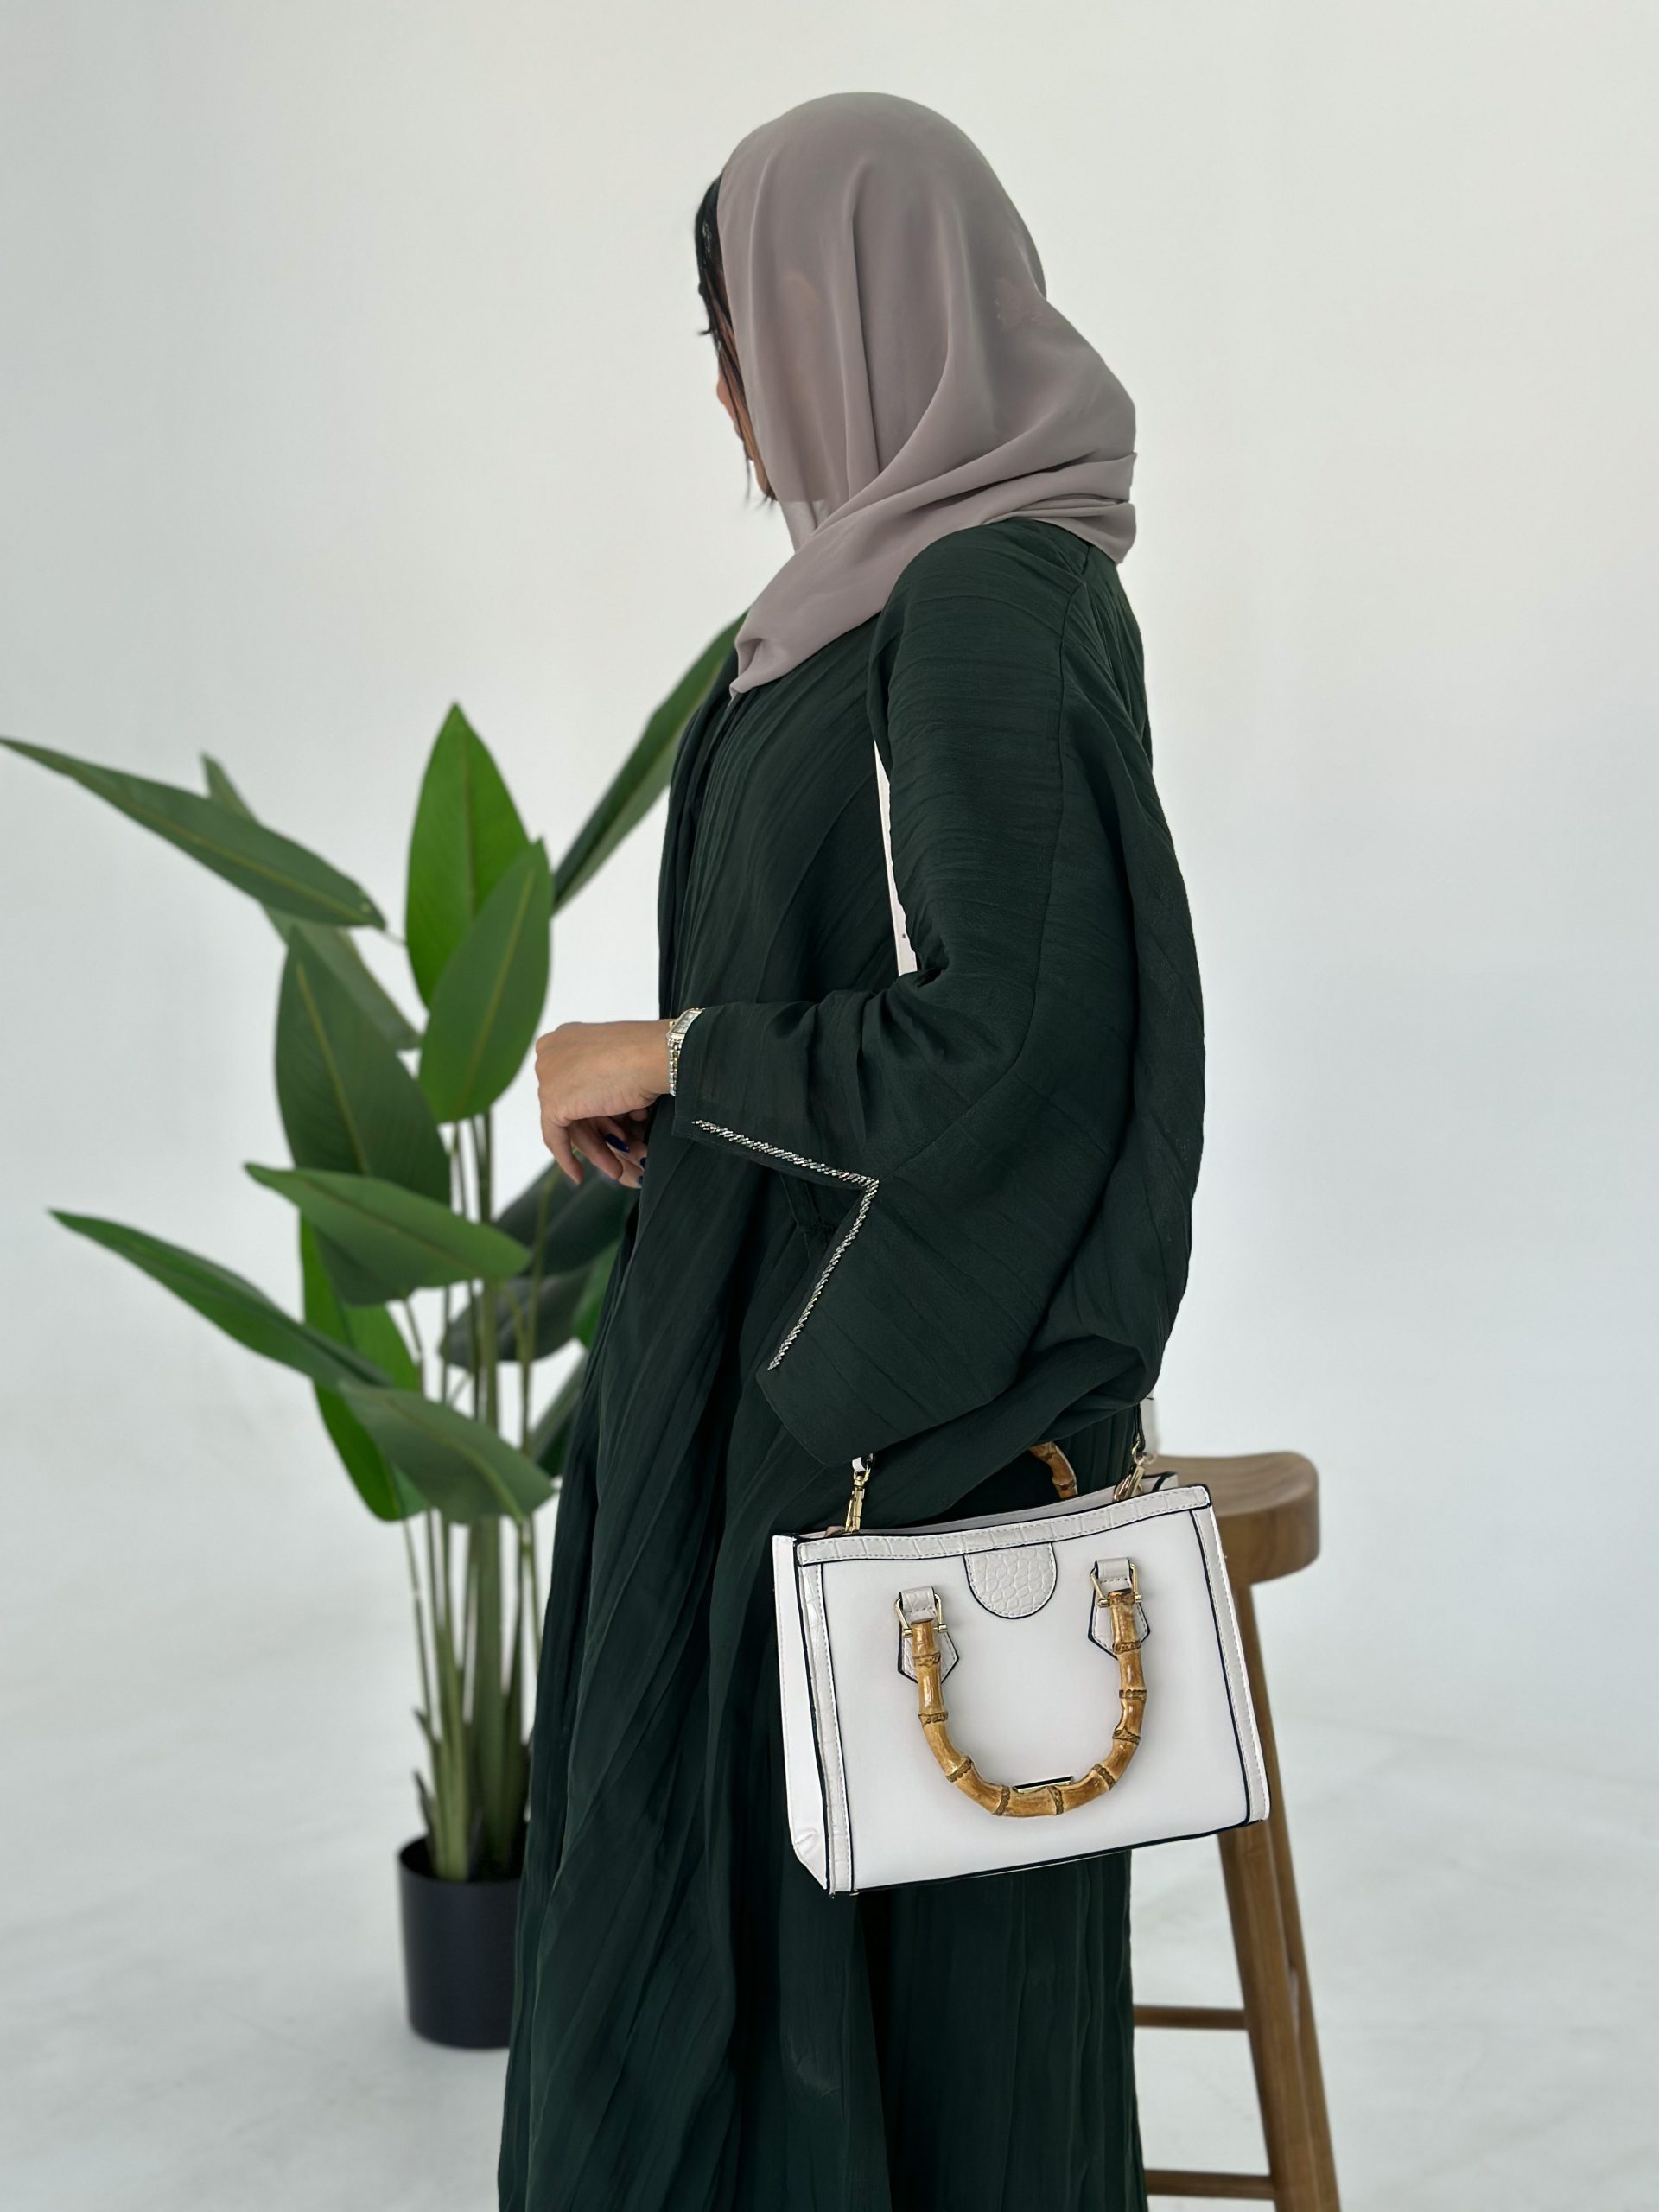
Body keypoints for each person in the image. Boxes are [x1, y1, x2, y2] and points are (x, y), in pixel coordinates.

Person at [499, 90, 1205, 2212]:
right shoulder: (874, 597)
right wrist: (693, 1106)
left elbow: (1011, 1046)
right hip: (759, 1367)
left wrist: (677, 1045)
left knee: (836, 1986)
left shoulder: (984, 597)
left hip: (862, 1431)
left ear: (858, 313)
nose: (730, 394)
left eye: (742, 331)